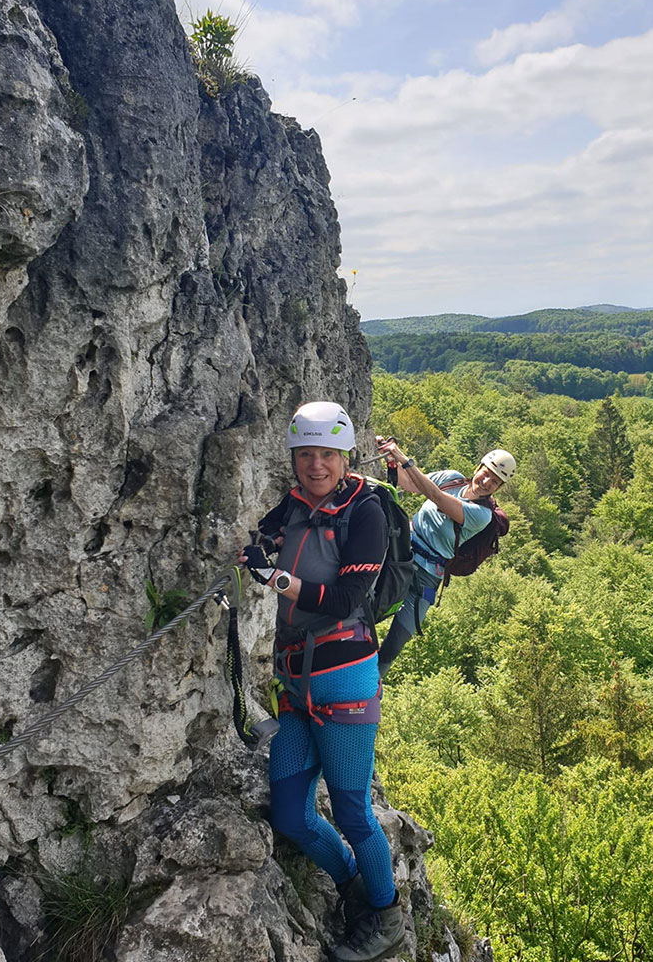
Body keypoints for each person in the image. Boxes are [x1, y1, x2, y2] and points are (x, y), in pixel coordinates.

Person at [239, 401, 404, 962]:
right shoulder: (292, 504)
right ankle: (354, 885)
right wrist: (254, 553)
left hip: (344, 680)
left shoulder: (367, 512)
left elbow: (345, 601)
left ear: (345, 456)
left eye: (327, 455)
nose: (316, 466)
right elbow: (259, 541)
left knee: (353, 811)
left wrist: (277, 579)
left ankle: (387, 919)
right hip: (294, 682)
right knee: (289, 814)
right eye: (305, 454)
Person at [374, 440, 516, 678]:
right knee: (364, 609)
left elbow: (435, 497)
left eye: (494, 482)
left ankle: (366, 692)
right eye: (486, 473)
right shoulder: (451, 478)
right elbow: (409, 482)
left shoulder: (482, 516)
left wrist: (403, 457)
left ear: (498, 488)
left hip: (426, 577)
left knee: (393, 645)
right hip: (399, 554)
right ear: (478, 468)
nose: (486, 482)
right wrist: (386, 453)